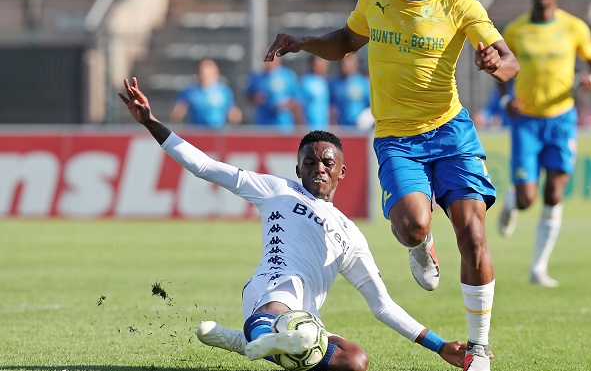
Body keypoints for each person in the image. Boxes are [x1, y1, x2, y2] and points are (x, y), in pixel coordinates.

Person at [263, 0, 520, 370]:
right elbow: (345, 42)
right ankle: (421, 247)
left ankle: (478, 348)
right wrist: (302, 42)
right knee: (412, 227)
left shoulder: (459, 3)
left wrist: (493, 63)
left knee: (474, 234)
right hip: (397, 137)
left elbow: (509, 61)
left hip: (450, 132)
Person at [118, 76, 471, 371]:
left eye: (328, 163)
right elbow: (205, 166)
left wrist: (439, 346)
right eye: (310, 162)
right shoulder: (277, 190)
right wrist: (151, 122)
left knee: (356, 361)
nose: (319, 167)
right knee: (280, 309)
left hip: (307, 320)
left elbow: (383, 306)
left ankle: (249, 342)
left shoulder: (351, 235)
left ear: (341, 172)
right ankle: (263, 333)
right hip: (269, 289)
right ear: (297, 169)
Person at [498, 0, 591, 287]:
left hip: (561, 118)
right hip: (527, 122)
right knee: (527, 198)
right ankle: (512, 200)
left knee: (555, 191)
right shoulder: (517, 30)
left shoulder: (573, 27)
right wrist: (507, 101)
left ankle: (538, 268)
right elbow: (500, 72)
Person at [169, 58, 242, 128]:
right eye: (202, 74)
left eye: (208, 75)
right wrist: (178, 113)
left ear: (216, 74)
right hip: (197, 133)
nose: (204, 77)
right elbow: (176, 114)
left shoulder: (225, 92)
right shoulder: (189, 92)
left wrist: (235, 116)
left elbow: (232, 113)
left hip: (217, 134)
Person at [246, 53, 299, 130]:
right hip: (262, 125)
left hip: (283, 126)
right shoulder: (257, 77)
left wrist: (285, 106)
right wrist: (255, 98)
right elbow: (248, 96)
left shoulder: (288, 76)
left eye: (271, 58)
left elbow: (296, 100)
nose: (269, 61)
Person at [328, 54, 371, 128]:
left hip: (360, 128)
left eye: (351, 62)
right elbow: (330, 105)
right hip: (341, 128)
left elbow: (371, 105)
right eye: (345, 63)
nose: (347, 66)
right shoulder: (334, 83)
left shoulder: (363, 82)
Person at [298, 55, 331, 129]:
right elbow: (298, 105)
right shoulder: (305, 81)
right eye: (320, 62)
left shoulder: (325, 82)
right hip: (309, 129)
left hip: (324, 129)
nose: (323, 65)